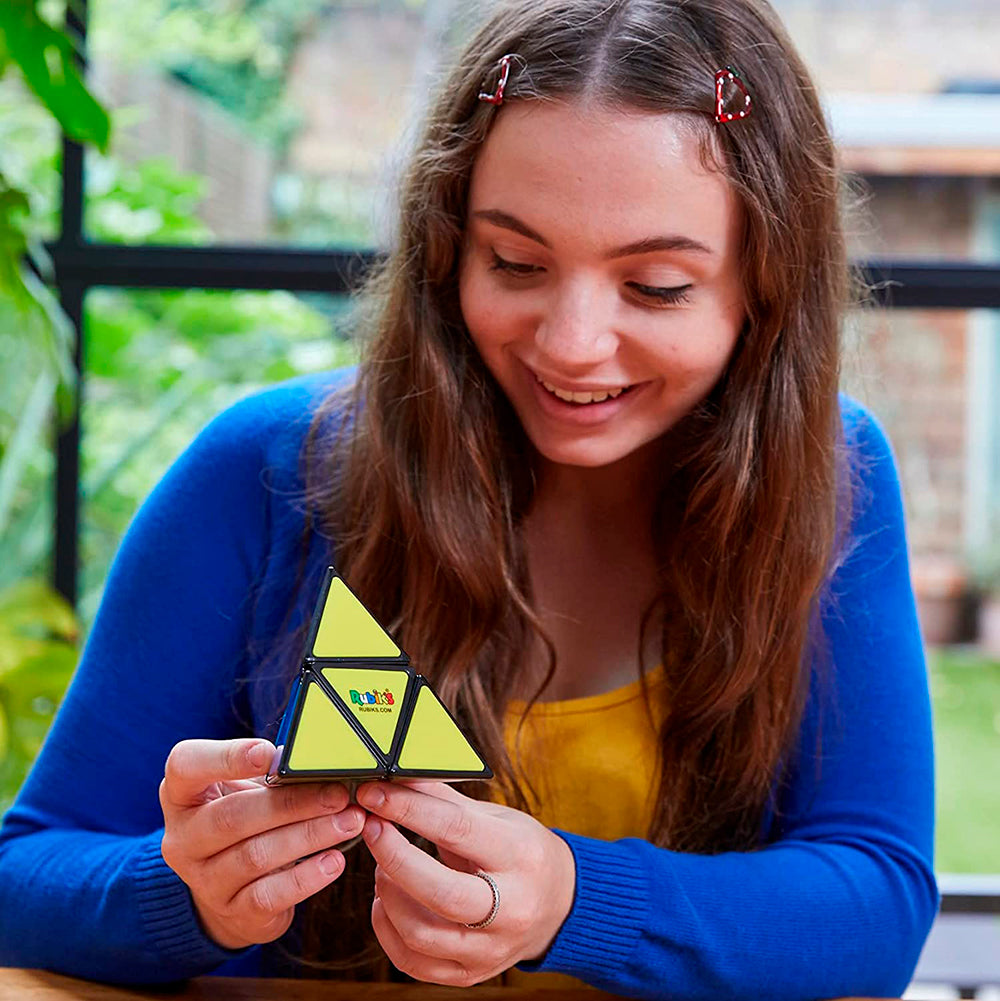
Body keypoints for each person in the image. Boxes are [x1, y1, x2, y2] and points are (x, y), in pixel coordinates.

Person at [0, 0, 938, 996]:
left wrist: (576, 897)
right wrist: (178, 887)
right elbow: (26, 872)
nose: (571, 343)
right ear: (448, 248)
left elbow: (874, 900)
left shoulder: (836, 476)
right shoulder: (265, 472)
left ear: (765, 284)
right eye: (516, 263)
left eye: (656, 285)